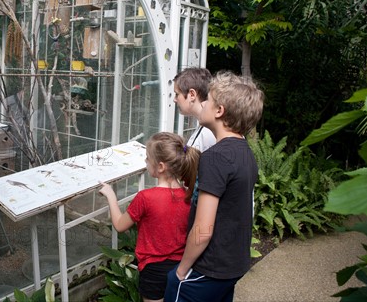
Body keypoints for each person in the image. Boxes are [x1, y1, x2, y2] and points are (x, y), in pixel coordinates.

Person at [164, 71, 265, 302]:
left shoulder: (215, 158)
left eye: (208, 99)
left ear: (219, 111)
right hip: (233, 265)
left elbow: (203, 230)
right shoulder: (245, 153)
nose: (204, 103)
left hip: (208, 268)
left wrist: (181, 271)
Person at [99, 133, 201, 302]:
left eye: (147, 158)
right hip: (180, 267)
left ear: (160, 167)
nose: (146, 162)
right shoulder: (188, 195)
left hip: (152, 271)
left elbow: (119, 225)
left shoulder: (145, 198)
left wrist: (111, 196)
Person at [173, 67, 216, 153]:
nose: (174, 99)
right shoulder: (207, 126)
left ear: (192, 95)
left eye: (177, 94)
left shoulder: (208, 133)